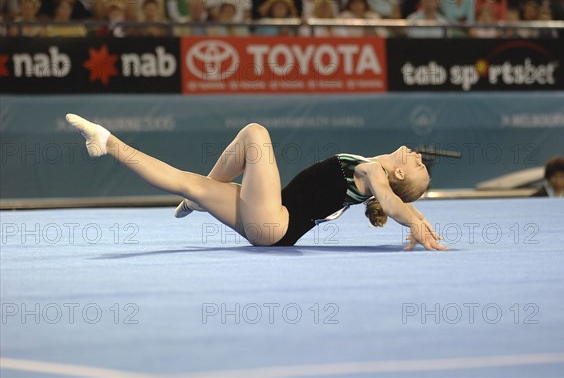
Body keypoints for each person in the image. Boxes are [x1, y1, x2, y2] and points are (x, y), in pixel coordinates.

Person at [65, 114, 446, 250]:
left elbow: (392, 203)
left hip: (275, 219)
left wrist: (411, 218)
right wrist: (415, 216)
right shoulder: (372, 168)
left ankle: (201, 196)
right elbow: (397, 201)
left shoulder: (374, 174)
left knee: (255, 134)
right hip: (270, 223)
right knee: (187, 183)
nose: (418, 157)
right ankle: (107, 142)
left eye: (418, 167)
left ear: (397, 176)